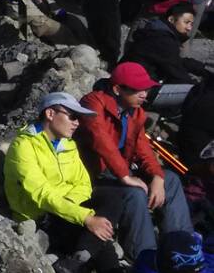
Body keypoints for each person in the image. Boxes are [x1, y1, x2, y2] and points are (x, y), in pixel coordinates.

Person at [77, 61, 196, 260]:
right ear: (117, 89)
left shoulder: (135, 112)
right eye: (138, 90)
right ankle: (145, 256)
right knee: (134, 193)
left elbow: (142, 149)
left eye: (146, 90)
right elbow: (101, 141)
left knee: (171, 180)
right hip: (94, 177)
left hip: (118, 172)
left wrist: (157, 176)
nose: (145, 95)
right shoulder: (92, 103)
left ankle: (182, 247)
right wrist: (125, 176)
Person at [3, 91, 119, 273]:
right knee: (105, 249)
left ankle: (78, 261)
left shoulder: (68, 145)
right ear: (50, 114)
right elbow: (41, 194)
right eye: (72, 116)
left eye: (78, 118)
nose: (77, 123)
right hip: (40, 216)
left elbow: (84, 184)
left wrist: (70, 204)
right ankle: (90, 269)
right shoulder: (23, 146)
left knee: (114, 198)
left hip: (62, 209)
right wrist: (86, 218)